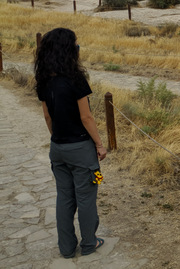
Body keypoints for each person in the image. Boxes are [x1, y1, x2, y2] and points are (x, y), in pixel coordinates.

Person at [34, 28, 107, 258]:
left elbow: (47, 117)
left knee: (64, 197)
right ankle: (89, 243)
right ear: (68, 49)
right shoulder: (76, 79)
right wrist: (99, 145)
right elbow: (86, 117)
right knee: (87, 196)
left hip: (57, 150)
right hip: (82, 150)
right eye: (75, 44)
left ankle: (66, 248)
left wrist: (58, 137)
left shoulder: (43, 80)